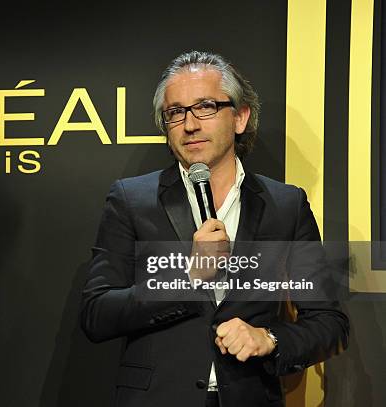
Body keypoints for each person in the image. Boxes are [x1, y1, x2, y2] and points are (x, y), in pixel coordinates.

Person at [80, 50, 349, 407]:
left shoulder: (286, 205)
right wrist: (186, 278)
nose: (190, 124)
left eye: (205, 107)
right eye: (176, 112)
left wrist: (269, 339)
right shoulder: (132, 199)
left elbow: (330, 323)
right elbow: (97, 313)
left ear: (240, 117)